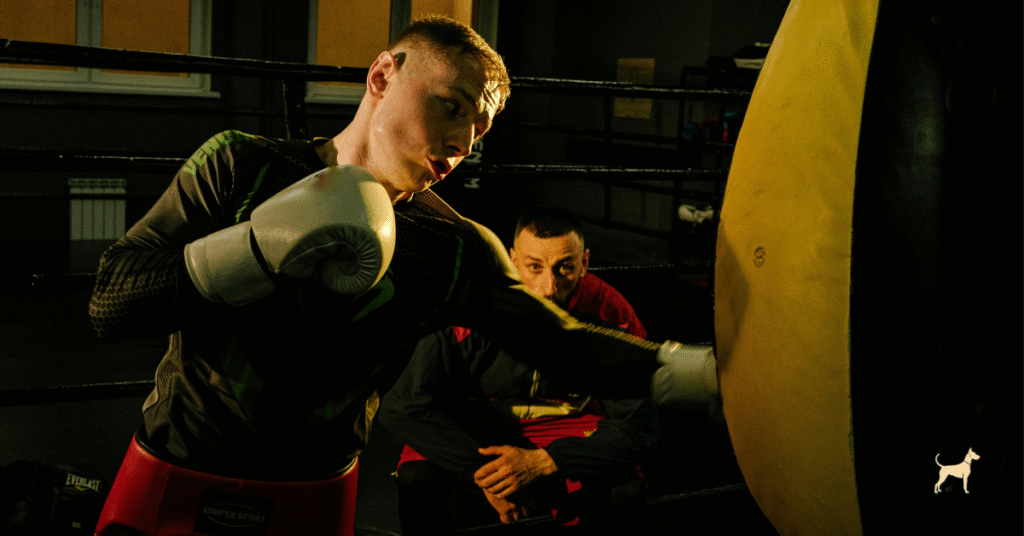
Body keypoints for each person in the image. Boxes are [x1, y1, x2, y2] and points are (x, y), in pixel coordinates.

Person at [88, 15, 715, 536]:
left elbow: (562, 344)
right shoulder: (241, 169)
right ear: (383, 76)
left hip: (316, 491)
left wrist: (709, 375)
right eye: (450, 106)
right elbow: (111, 302)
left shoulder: (454, 249)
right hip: (175, 467)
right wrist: (253, 248)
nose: (463, 142)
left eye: (478, 128)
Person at [379, 207, 659, 534]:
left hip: (567, 425)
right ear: (513, 260)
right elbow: (403, 407)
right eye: (534, 266)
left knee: (626, 492)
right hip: (477, 425)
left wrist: (545, 460)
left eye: (565, 267)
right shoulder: (468, 301)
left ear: (584, 262)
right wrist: (488, 475)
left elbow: (640, 428)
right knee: (416, 478)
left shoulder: (612, 313)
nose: (548, 287)